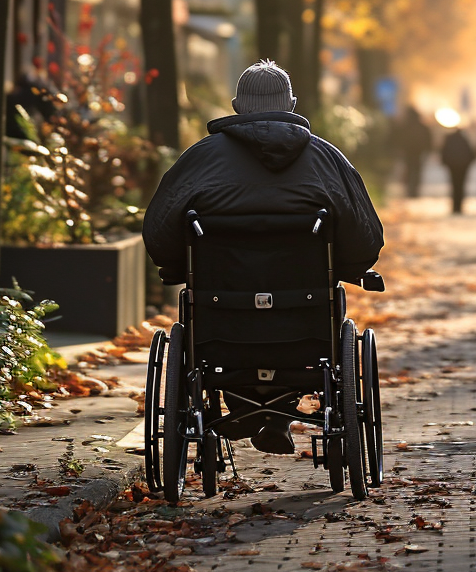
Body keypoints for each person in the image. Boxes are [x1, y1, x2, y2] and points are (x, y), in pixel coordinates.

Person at [142, 60, 383, 454]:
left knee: (214, 331)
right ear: (291, 104)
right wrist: (350, 267)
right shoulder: (326, 159)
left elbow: (158, 229)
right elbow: (365, 237)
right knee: (315, 316)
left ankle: (243, 411)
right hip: (305, 327)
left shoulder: (199, 159)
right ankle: (275, 414)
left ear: (237, 106)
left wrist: (172, 266)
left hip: (220, 324)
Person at [399, 104, 432, 198]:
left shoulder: (405, 126)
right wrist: (428, 150)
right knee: (416, 171)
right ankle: (414, 190)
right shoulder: (422, 126)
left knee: (409, 170)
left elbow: (399, 139)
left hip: (408, 152)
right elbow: (428, 139)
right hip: (418, 152)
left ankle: (410, 190)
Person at [440, 125, 475, 215]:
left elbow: (444, 152)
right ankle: (459, 206)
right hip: (462, 167)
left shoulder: (450, 139)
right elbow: (471, 153)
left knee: (454, 186)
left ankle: (455, 207)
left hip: (453, 166)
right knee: (460, 186)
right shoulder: (464, 140)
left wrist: (446, 163)